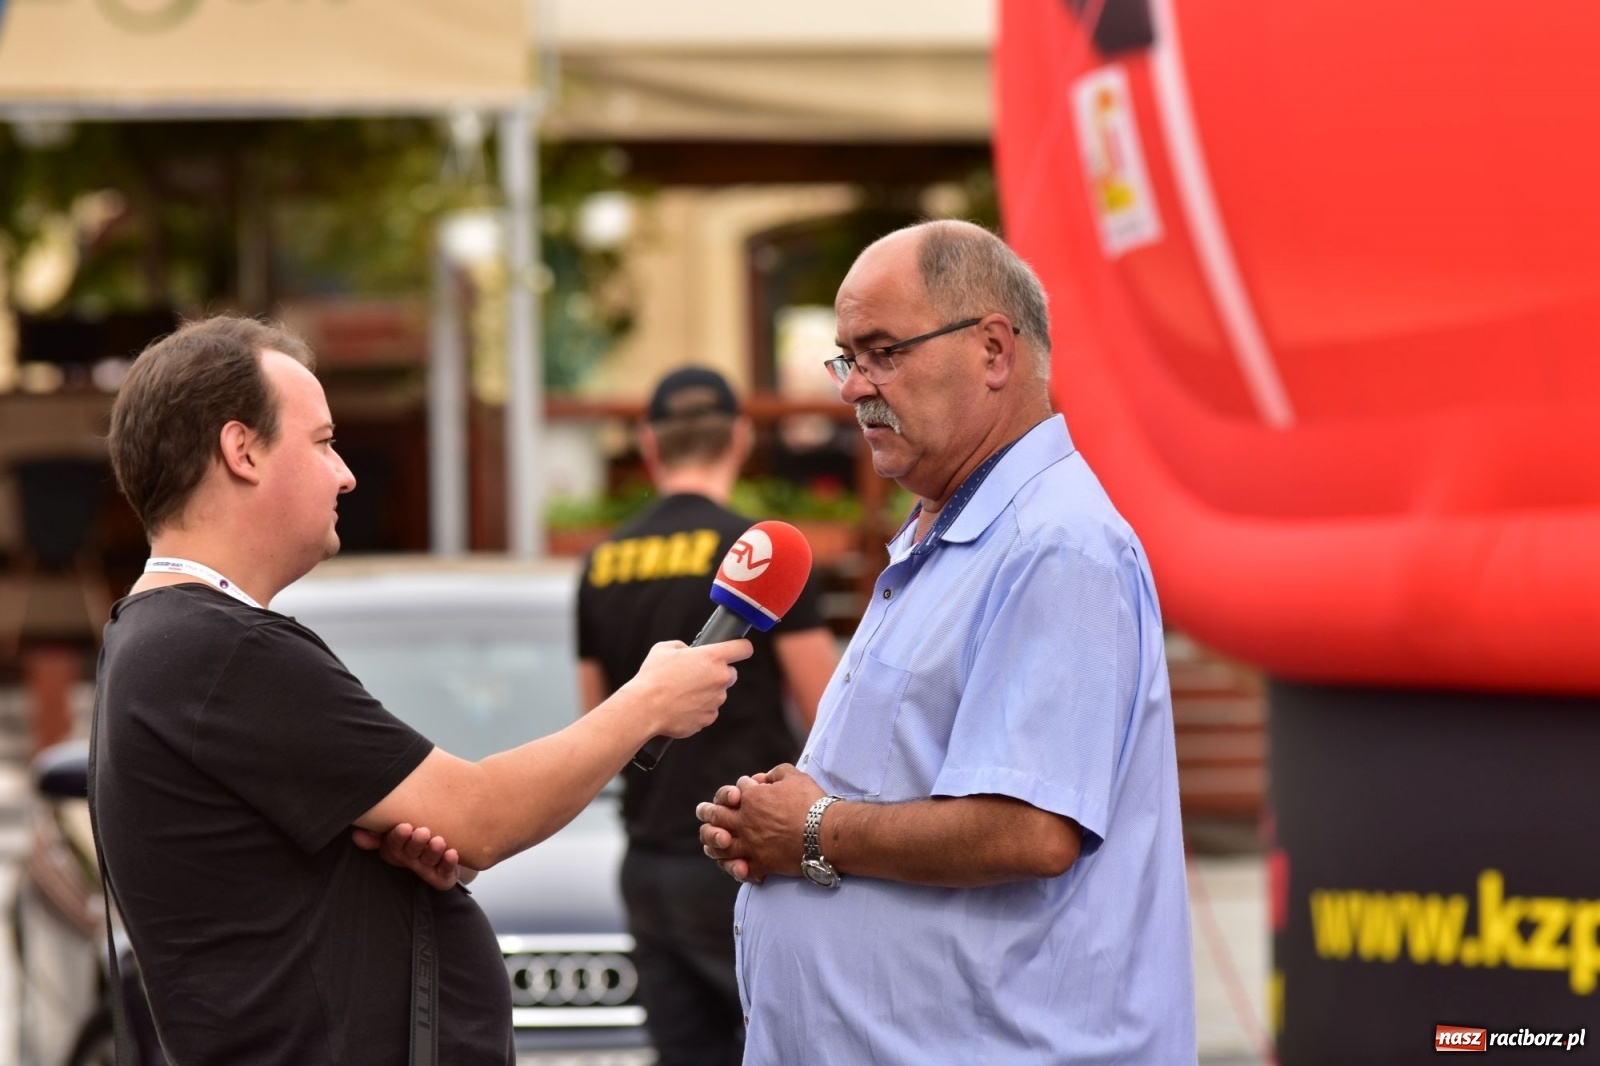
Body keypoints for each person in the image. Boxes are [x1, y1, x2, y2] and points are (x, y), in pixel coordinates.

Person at [92, 315, 750, 1064]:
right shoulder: (221, 649)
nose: (345, 473)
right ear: (242, 450)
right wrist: (647, 703)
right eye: (321, 442)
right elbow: (481, 815)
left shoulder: (164, 637)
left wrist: (392, 874)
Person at [696, 220, 1196, 1064]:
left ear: (993, 350)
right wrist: (774, 824)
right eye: (846, 357)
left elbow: (1030, 829)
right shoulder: (956, 532)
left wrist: (812, 829)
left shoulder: (1057, 544)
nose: (854, 387)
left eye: (883, 351)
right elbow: (917, 783)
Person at [576, 366, 837, 1066]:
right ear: (742, 440)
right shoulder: (767, 554)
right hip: (741, 854)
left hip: (646, 862)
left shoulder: (601, 563)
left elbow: (600, 723)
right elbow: (830, 712)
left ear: (649, 445)